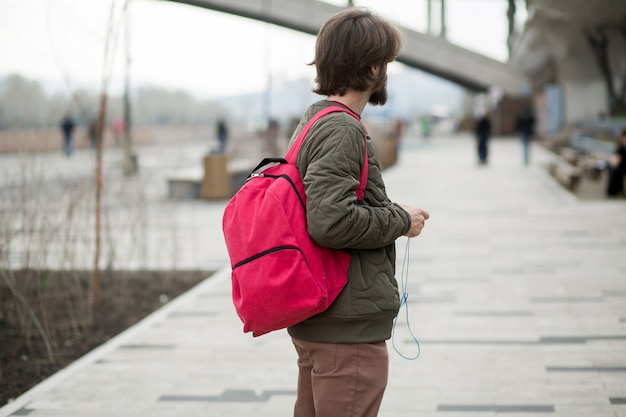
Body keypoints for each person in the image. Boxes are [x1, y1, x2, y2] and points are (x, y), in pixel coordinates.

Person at [285, 8, 429, 417]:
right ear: (370, 67)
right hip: (344, 328)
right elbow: (330, 220)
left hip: (324, 318)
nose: (387, 72)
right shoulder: (342, 128)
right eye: (385, 63)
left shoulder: (316, 120)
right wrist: (401, 220)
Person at [606, 127, 626, 197]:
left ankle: (614, 191)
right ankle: (613, 191)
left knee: (615, 170)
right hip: (621, 165)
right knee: (612, 168)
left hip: (623, 166)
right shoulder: (621, 146)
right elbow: (617, 155)